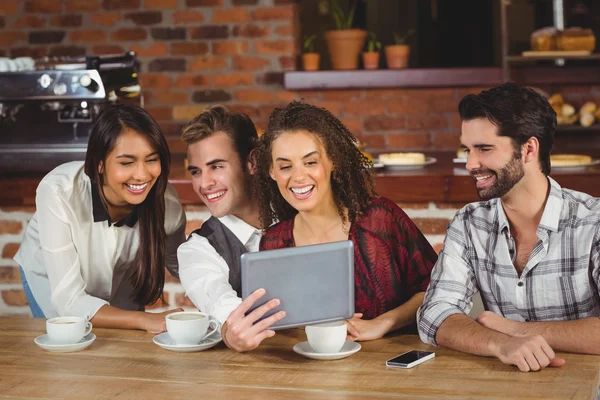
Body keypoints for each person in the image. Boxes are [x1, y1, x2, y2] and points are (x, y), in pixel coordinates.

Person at [418, 82, 600, 372]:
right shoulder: (469, 223)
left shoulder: (593, 221)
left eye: (484, 149)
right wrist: (500, 343)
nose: (470, 164)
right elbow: (434, 314)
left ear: (528, 149)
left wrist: (516, 330)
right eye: (467, 149)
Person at [256, 101, 438, 341]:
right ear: (271, 172)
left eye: (311, 162)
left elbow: (436, 289)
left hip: (393, 370)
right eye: (285, 166)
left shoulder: (380, 219)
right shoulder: (273, 243)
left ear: (333, 162)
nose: (298, 176)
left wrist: (383, 323)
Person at [14, 104, 186, 333]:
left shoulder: (167, 204)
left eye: (152, 160)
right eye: (126, 162)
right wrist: (145, 320)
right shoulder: (59, 191)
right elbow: (68, 301)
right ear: (99, 164)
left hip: (120, 280)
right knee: (73, 347)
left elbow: (181, 264)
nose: (143, 175)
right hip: (52, 278)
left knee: (125, 353)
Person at [178, 105, 285, 352]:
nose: (204, 184)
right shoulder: (198, 250)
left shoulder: (298, 215)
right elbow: (220, 303)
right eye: (196, 171)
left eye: (216, 166)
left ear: (252, 162)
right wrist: (230, 330)